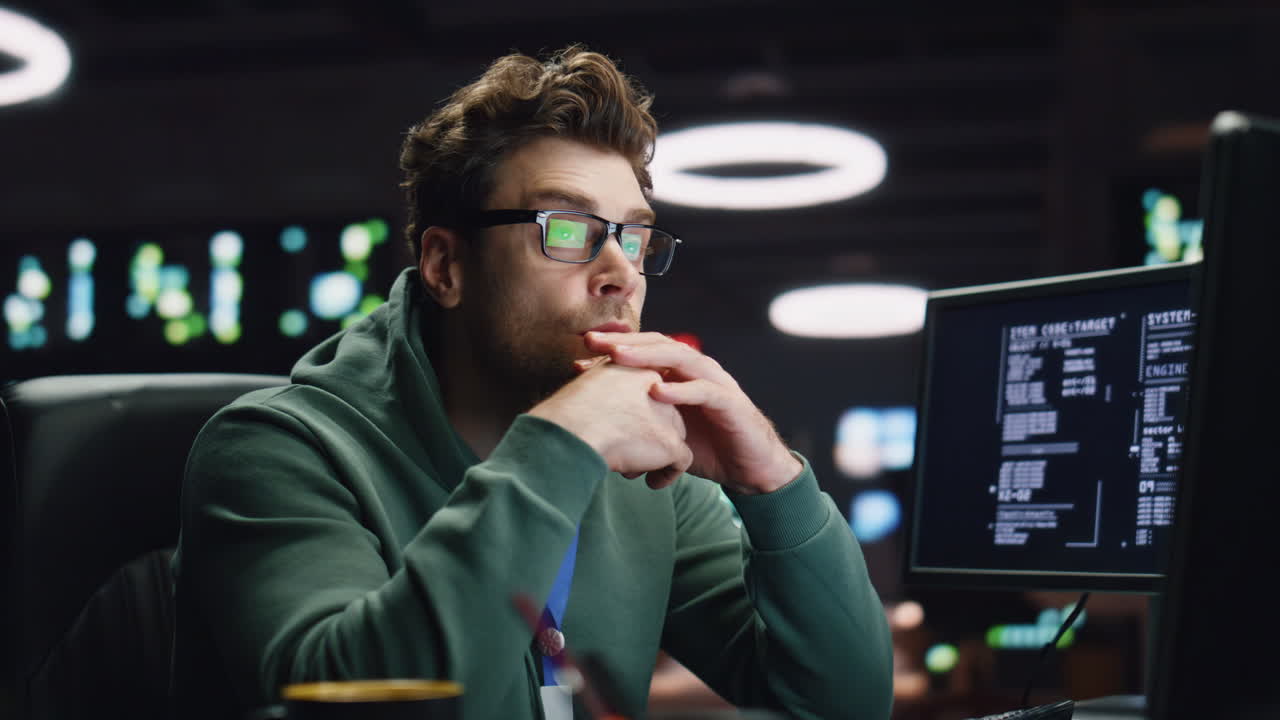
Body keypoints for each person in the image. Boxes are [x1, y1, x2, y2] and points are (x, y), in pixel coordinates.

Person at [172, 44, 893, 720]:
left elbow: (843, 704)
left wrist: (771, 482)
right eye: (567, 229)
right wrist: (564, 442)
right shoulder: (274, 449)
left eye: (634, 236)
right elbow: (361, 703)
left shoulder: (648, 478)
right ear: (446, 267)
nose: (621, 272)